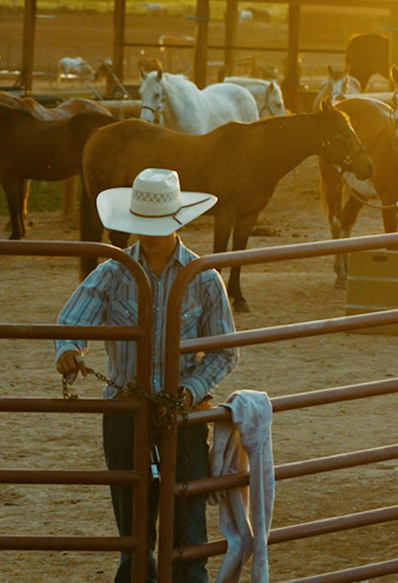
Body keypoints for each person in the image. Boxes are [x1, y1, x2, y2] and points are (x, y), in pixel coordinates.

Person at [55, 167, 238, 583]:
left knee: (186, 512)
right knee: (133, 514)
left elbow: (226, 351)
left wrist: (190, 390)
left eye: (158, 224)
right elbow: (70, 323)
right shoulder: (113, 272)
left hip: (182, 410)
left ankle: (185, 573)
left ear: (177, 222)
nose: (150, 234)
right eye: (143, 225)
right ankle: (137, 568)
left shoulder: (203, 278)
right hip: (127, 405)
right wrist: (68, 349)